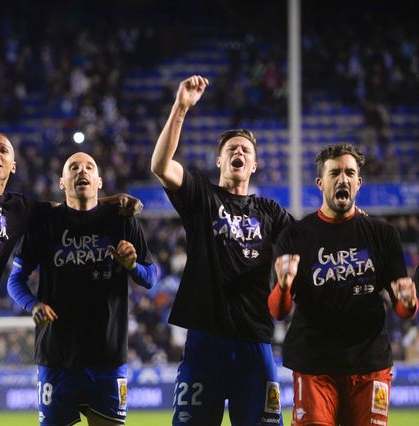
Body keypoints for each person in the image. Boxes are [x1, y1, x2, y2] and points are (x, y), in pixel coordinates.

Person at [0, 2, 140, 424]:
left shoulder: (23, 209)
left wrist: (112, 200)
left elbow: (69, 207)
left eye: (4, 150)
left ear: (14, 165)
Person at [150, 75, 294, 426]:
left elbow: (309, 238)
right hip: (205, 340)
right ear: (219, 161)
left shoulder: (271, 212)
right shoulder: (202, 196)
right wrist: (181, 108)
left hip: (254, 340)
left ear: (255, 165)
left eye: (246, 150)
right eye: (232, 149)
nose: (239, 152)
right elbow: (160, 166)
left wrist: (348, 216)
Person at [269, 143, 418, 426]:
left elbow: (404, 308)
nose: (343, 179)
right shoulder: (295, 236)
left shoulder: (383, 235)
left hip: (370, 365)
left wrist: (409, 302)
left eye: (350, 172)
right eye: (335, 172)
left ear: (359, 182)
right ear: (320, 182)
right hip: (315, 366)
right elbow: (277, 311)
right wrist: (284, 286)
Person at [6, 152, 157, 426]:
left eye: (89, 167)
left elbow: (150, 277)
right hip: (57, 356)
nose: (81, 171)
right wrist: (34, 305)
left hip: (108, 357)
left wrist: (132, 266)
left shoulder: (121, 219)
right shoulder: (44, 222)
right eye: (73, 167)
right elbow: (14, 281)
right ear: (62, 182)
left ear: (99, 182)